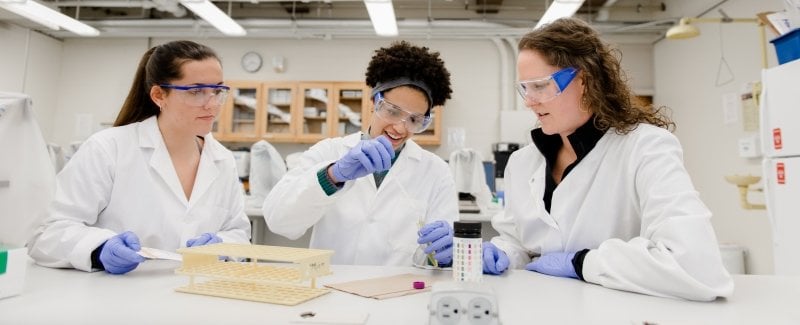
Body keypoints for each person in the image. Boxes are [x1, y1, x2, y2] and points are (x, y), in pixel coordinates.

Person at [481, 18, 734, 301]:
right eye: (525, 88)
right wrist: (500, 252)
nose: (529, 101)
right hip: (540, 309)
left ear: (585, 81)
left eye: (540, 86)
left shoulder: (646, 147)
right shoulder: (522, 162)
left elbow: (696, 265)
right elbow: (520, 244)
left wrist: (583, 263)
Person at [27, 40, 251, 274]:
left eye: (217, 91)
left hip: (199, 295)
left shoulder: (222, 160)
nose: (213, 105)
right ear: (158, 95)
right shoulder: (109, 149)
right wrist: (98, 249)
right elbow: (47, 232)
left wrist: (223, 245)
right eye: (196, 92)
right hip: (119, 299)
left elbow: (238, 232)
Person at [263, 41, 457, 266]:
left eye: (414, 120)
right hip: (331, 290)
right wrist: (332, 176)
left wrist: (448, 251)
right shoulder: (329, 151)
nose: (401, 128)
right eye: (393, 111)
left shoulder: (435, 171)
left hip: (399, 295)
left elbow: (442, 252)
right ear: (374, 101)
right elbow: (278, 221)